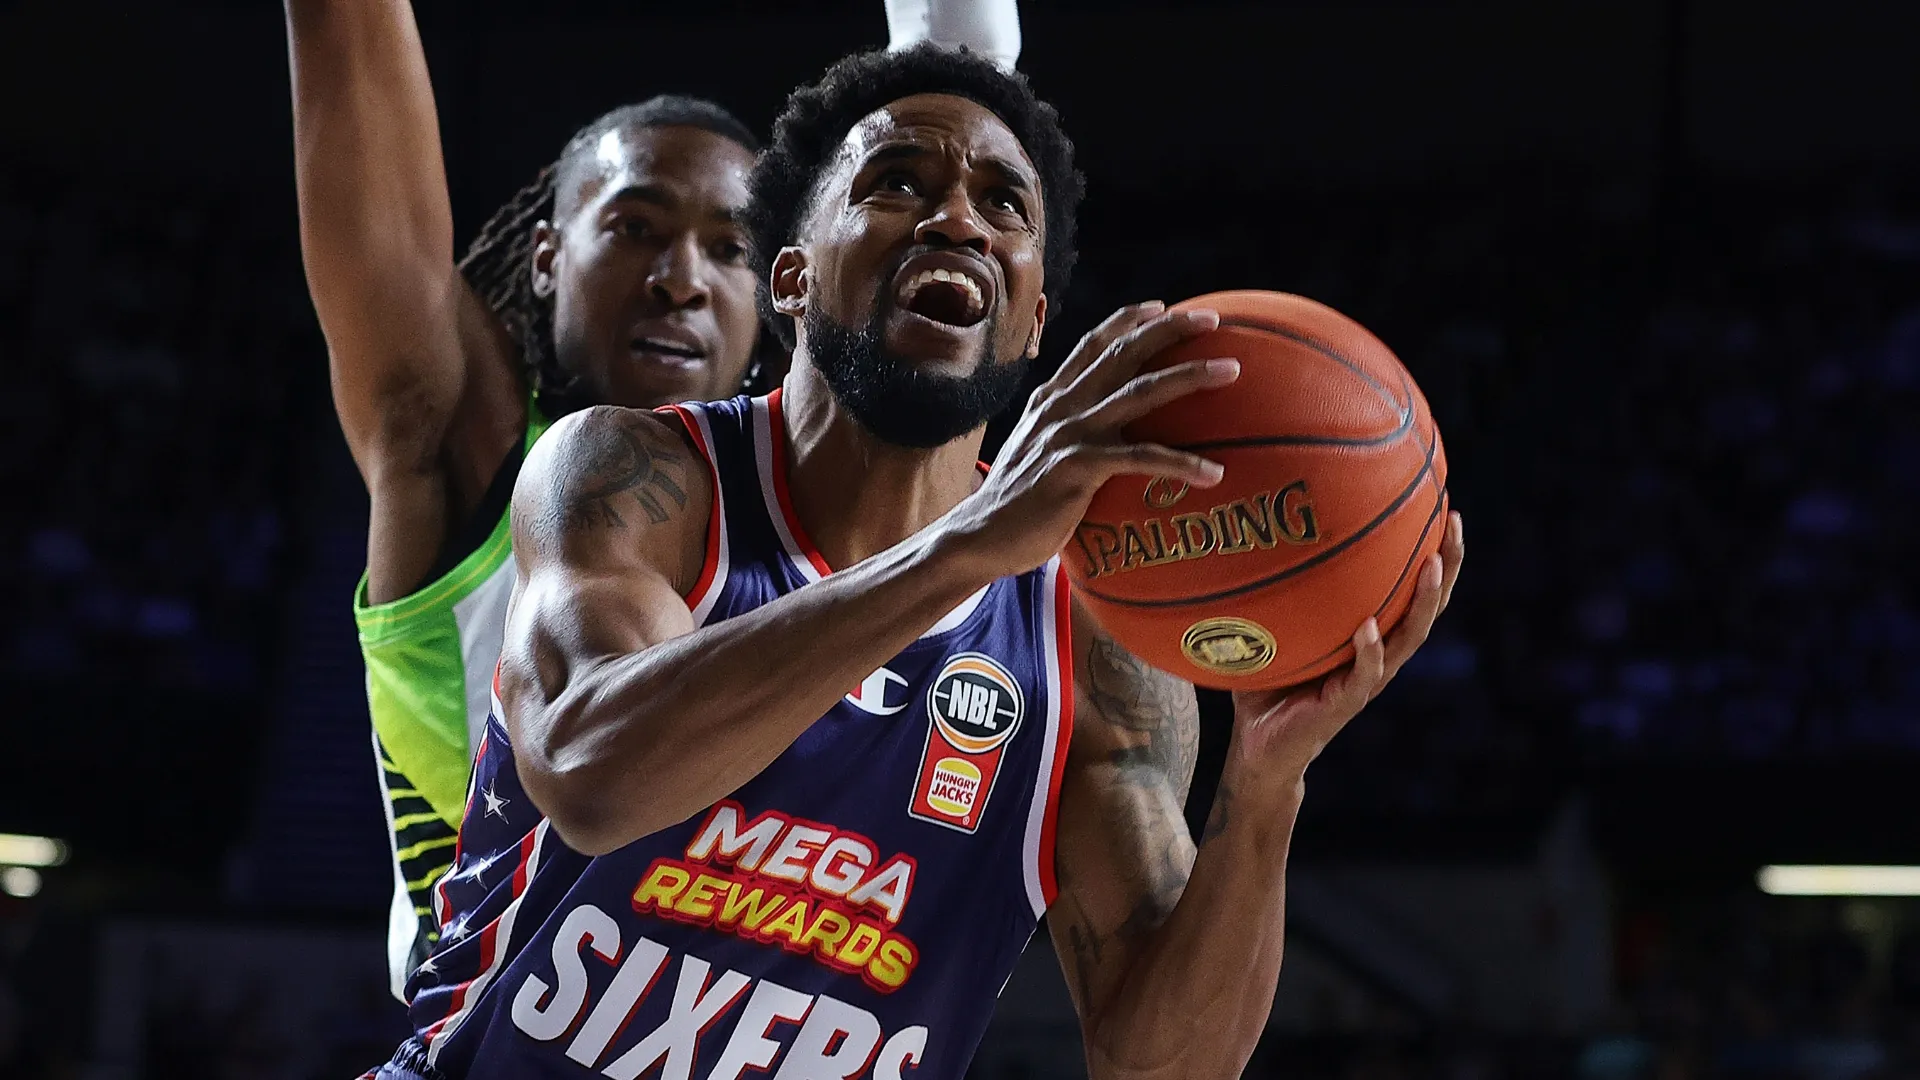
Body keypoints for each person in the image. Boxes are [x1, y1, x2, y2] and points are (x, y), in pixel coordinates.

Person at [376, 43, 1465, 1080]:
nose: (957, 219)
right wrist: (962, 551)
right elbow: (594, 779)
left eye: (1005, 204)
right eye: (896, 182)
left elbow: (1162, 1063)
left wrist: (1265, 788)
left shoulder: (1085, 635)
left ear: (1033, 320)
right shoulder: (639, 476)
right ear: (792, 275)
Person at [284, 0, 1029, 998]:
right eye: (635, 228)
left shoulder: (842, 489)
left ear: (786, 284)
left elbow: (944, 201)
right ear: (548, 258)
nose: (681, 280)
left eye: (730, 249)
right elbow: (347, 49)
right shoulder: (458, 438)